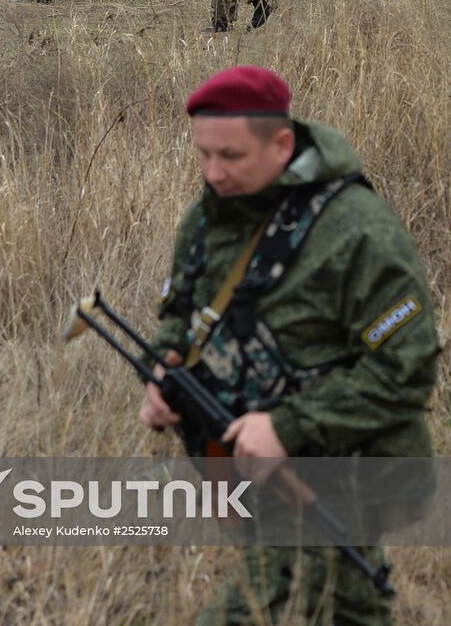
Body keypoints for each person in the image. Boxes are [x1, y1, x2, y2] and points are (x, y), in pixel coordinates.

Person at [140, 65, 438, 624]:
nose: (214, 172)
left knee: (253, 606)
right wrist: (163, 370)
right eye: (203, 155)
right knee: (349, 606)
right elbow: (179, 315)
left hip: (342, 470)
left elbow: (406, 367)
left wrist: (286, 427)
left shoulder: (357, 231)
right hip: (250, 469)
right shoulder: (210, 218)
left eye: (230, 157)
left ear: (281, 144)